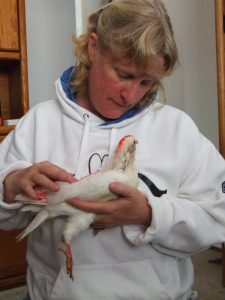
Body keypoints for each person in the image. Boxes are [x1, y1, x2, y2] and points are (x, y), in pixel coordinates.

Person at [0, 0, 225, 299]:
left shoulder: (178, 129)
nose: (130, 94)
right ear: (94, 49)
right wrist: (10, 183)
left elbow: (218, 218)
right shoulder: (39, 123)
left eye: (146, 82)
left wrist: (149, 214)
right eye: (124, 74)